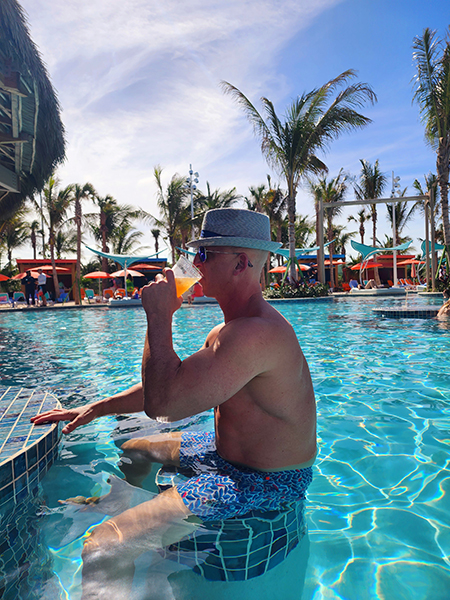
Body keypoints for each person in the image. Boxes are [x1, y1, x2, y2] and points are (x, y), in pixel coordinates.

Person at [31, 208, 317, 598]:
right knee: (136, 450)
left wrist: (160, 317)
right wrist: (97, 407)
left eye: (204, 255)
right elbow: (174, 385)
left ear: (240, 264)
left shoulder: (254, 334)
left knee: (101, 548)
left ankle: (132, 538)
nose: (193, 263)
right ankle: (128, 509)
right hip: (224, 455)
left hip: (262, 483)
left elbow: (163, 405)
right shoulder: (231, 329)